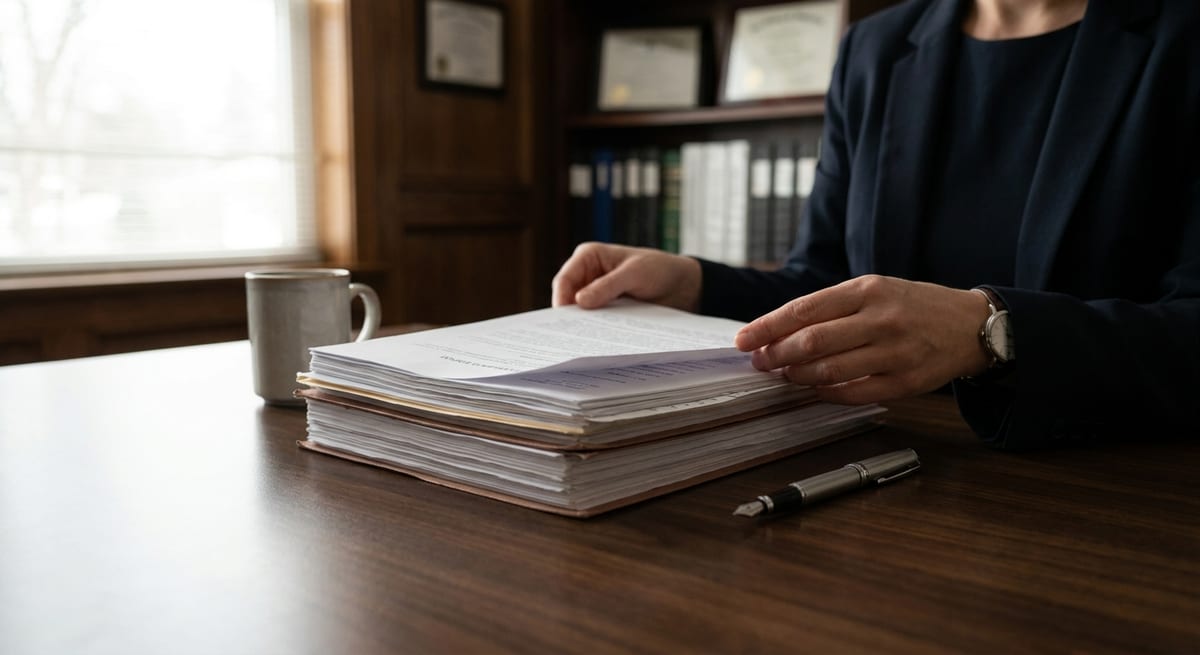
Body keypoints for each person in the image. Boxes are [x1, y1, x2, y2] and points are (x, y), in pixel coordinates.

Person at [551, 0, 1200, 450]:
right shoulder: (875, 47)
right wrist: (693, 284)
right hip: (890, 456)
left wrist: (992, 332)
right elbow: (829, 282)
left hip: (1108, 489)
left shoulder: (1183, 36)